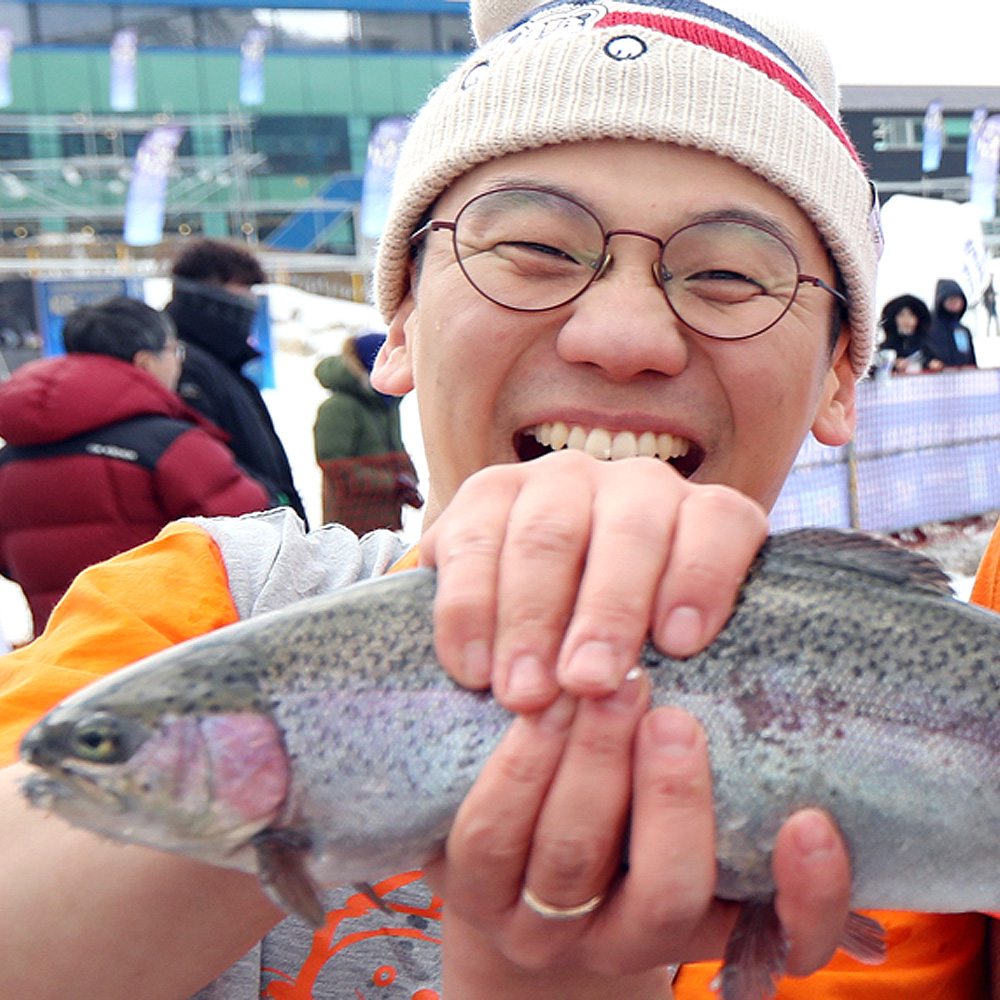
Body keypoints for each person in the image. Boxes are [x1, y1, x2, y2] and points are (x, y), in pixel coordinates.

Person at [2, 1, 986, 998]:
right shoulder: (196, 608)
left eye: (730, 273)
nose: (623, 331)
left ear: (839, 378)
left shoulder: (904, 813)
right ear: (399, 324)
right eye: (535, 250)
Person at [0, 295, 272, 636]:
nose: (178, 364)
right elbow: (257, 537)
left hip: (65, 659)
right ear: (145, 362)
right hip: (168, 655)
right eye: (175, 351)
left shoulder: (12, 455)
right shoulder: (173, 445)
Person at [165, 238, 308, 522]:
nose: (251, 300)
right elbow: (202, 464)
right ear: (208, 290)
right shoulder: (182, 365)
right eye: (244, 287)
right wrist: (269, 501)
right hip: (241, 538)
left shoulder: (222, 363)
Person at [313, 331, 423, 533]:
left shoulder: (384, 403)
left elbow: (394, 446)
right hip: (350, 523)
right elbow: (334, 465)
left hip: (385, 518)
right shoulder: (339, 407)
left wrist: (409, 478)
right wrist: (393, 482)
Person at [923, 279, 977, 370]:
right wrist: (929, 362)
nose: (955, 303)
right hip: (935, 378)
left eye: (958, 300)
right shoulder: (928, 327)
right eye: (951, 300)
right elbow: (922, 354)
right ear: (941, 302)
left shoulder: (963, 330)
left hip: (963, 378)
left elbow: (971, 360)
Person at [877, 293, 931, 374]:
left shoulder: (928, 345)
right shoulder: (886, 348)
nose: (906, 320)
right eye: (901, 315)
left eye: (911, 315)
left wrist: (930, 364)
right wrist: (893, 364)